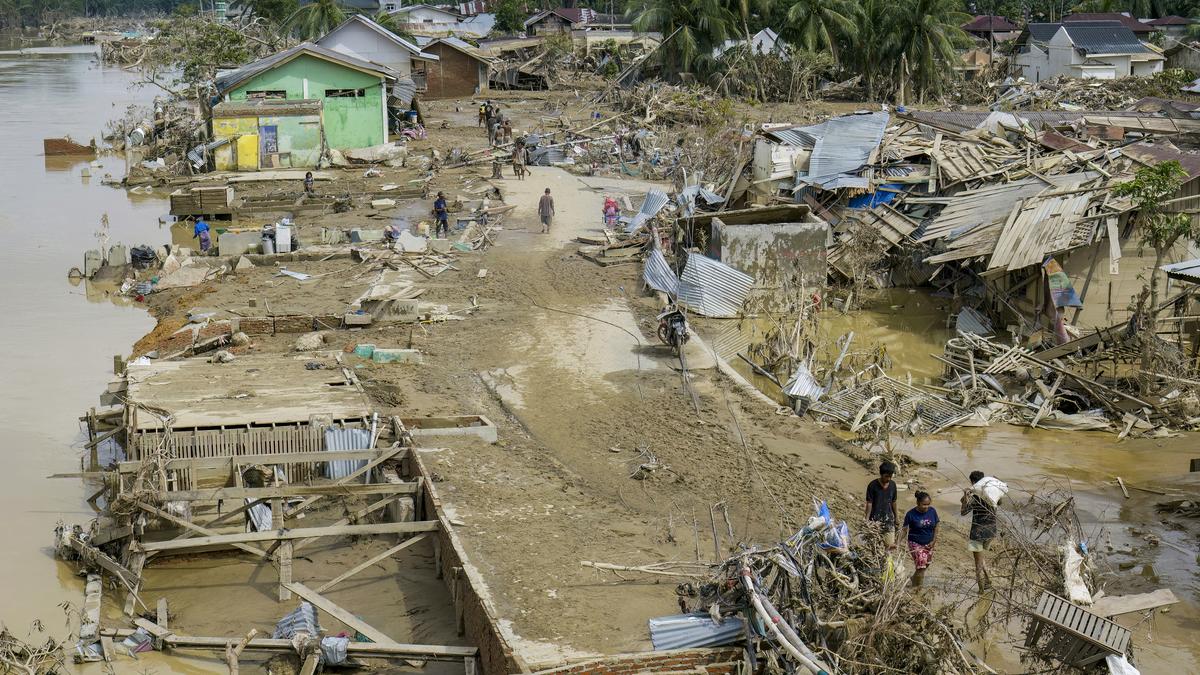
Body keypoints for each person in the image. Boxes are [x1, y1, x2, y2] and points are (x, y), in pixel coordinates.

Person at [961, 470, 999, 591]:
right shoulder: (993, 495)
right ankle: (988, 581)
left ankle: (981, 590)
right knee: (981, 559)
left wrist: (966, 496)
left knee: (978, 563)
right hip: (991, 531)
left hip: (978, 532)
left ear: (972, 482)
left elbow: (963, 512)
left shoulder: (976, 497)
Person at [900, 491, 939, 587]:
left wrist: (934, 540)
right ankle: (918, 589)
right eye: (924, 504)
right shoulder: (911, 514)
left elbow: (937, 525)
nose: (926, 507)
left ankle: (914, 579)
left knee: (926, 564)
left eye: (928, 504)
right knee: (921, 567)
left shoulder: (932, 511)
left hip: (929, 543)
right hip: (915, 543)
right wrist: (897, 542)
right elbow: (904, 530)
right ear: (918, 503)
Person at [864, 461, 899, 548]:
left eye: (890, 476)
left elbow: (893, 502)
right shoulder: (872, 486)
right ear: (881, 474)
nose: (888, 479)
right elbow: (869, 503)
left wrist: (896, 517)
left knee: (889, 546)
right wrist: (867, 519)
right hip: (875, 521)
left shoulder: (893, 485)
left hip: (889, 520)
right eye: (886, 476)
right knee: (874, 546)